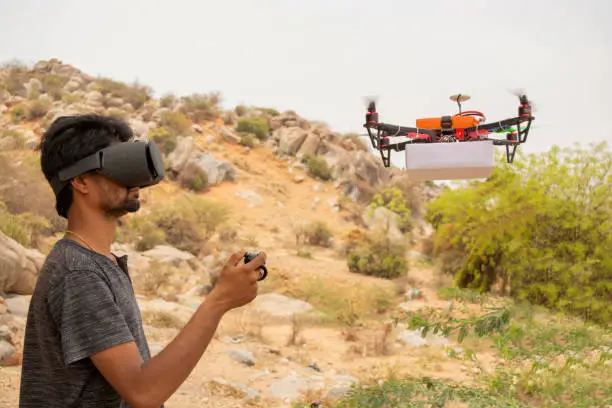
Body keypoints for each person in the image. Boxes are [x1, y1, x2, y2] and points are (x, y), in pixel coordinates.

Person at [19, 114, 267, 408]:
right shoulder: (78, 271)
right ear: (81, 180)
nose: (136, 179)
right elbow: (143, 391)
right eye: (121, 165)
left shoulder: (100, 261)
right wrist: (219, 301)